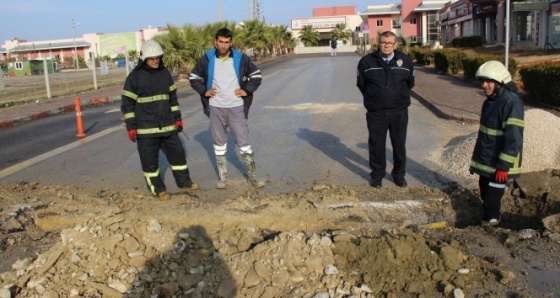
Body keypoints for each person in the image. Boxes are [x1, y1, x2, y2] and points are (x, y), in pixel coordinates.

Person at [121, 39, 199, 201]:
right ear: (144, 60)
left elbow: (172, 99)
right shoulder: (134, 78)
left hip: (168, 126)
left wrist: (177, 119)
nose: (155, 61)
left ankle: (184, 182)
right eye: (151, 58)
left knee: (178, 155)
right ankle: (158, 189)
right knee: (150, 162)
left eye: (157, 57)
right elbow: (127, 105)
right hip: (146, 130)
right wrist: (131, 127)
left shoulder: (165, 74)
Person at [189, 28, 265, 189]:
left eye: (226, 42)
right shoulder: (208, 58)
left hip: (236, 106)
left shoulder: (241, 58)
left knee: (243, 142)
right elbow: (194, 77)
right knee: (219, 143)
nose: (223, 45)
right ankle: (223, 178)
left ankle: (253, 177)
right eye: (220, 42)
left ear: (231, 42)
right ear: (215, 42)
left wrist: (246, 90)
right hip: (216, 107)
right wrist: (204, 91)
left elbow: (257, 75)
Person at [356, 31, 415, 188]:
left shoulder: (406, 61)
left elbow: (410, 83)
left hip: (399, 112)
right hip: (376, 113)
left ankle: (399, 175)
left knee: (399, 145)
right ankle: (377, 176)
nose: (386, 45)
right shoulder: (367, 62)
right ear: (379, 43)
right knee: (376, 145)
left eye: (390, 43)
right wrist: (374, 100)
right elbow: (362, 85)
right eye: (383, 42)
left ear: (395, 44)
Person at [470, 60, 524, 226]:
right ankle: (490, 219)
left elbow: (513, 138)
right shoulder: (491, 101)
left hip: (500, 165)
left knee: (492, 201)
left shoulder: (511, 103)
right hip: (488, 162)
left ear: (500, 82)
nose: (484, 85)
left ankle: (491, 227)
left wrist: (503, 165)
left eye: (488, 82)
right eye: (483, 81)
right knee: (485, 192)